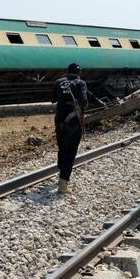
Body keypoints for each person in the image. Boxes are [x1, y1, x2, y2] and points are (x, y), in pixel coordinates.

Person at [52, 63, 88, 194]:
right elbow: (84, 102)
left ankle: (61, 170)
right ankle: (63, 184)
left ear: (67, 71)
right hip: (73, 121)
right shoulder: (81, 83)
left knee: (62, 147)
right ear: (79, 73)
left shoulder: (58, 82)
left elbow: (52, 99)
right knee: (70, 152)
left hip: (59, 120)